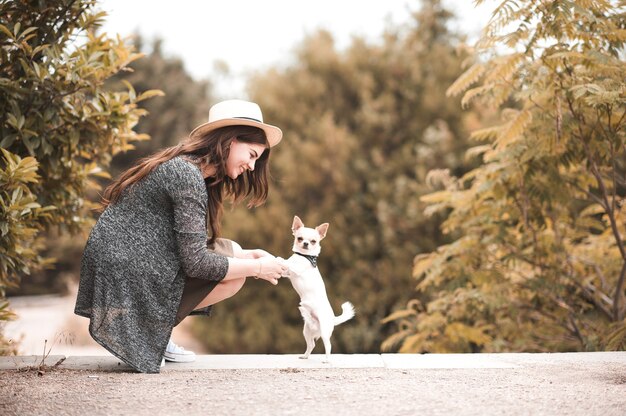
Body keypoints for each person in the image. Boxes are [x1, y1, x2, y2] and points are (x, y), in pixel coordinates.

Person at [74, 99, 288, 373]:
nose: (252, 166)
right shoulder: (186, 175)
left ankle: (153, 334)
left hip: (141, 261)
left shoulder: (198, 173)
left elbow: (194, 248)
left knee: (233, 251)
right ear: (231, 141)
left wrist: (251, 255)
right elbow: (196, 263)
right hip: (125, 269)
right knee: (236, 275)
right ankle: (148, 334)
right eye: (252, 155)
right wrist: (258, 268)